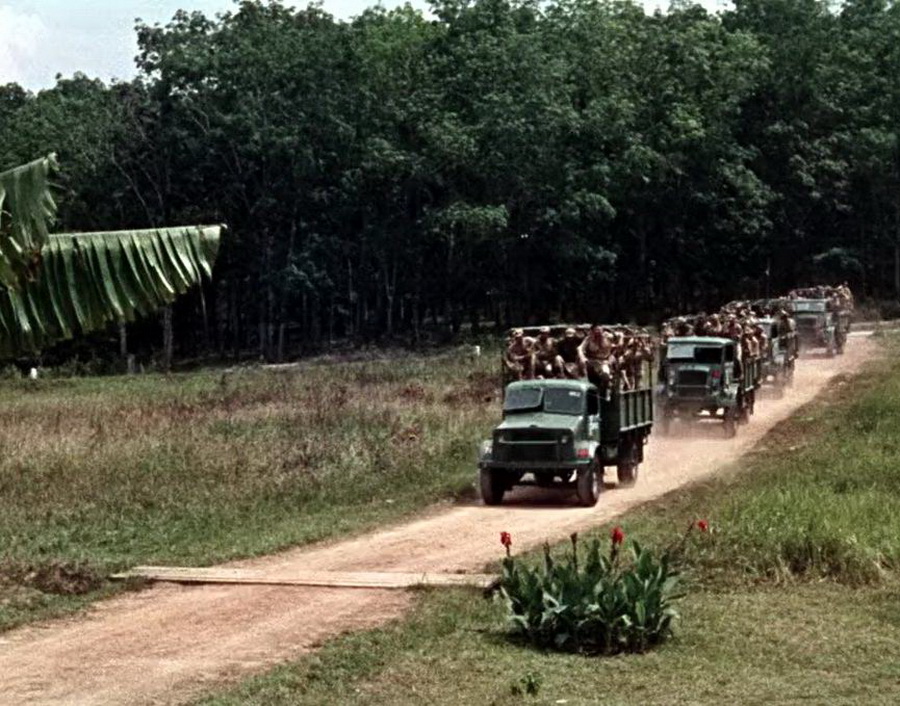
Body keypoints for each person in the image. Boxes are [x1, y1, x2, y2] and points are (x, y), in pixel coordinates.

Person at [579, 325, 616, 394]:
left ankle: (604, 393)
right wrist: (582, 357)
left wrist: (611, 356)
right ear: (592, 331)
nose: (598, 332)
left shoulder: (608, 337)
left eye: (599, 330)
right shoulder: (589, 339)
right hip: (592, 362)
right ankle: (592, 392)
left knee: (605, 376)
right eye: (596, 330)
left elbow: (618, 345)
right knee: (592, 380)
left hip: (604, 361)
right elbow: (580, 348)